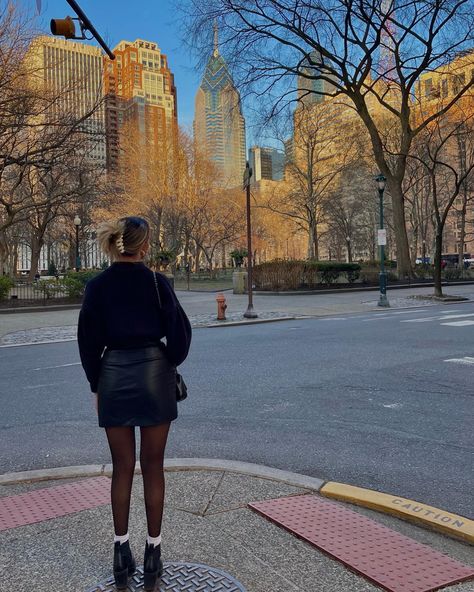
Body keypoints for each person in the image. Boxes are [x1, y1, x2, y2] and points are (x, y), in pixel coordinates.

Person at [77, 216, 192, 591]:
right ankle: (153, 553)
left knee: (122, 466)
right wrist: (166, 362)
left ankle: (120, 550)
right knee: (153, 466)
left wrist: (98, 384)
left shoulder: (96, 287)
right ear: (144, 247)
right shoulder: (159, 284)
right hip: (153, 376)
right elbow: (179, 338)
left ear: (116, 245)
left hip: (113, 375)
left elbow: (87, 342)